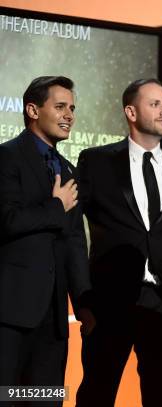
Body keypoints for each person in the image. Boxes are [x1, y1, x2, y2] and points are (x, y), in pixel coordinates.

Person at [75, 78, 162, 407]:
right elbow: (74, 231)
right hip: (110, 300)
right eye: (155, 104)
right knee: (97, 393)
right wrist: (83, 299)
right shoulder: (97, 161)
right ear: (130, 112)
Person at [0, 76, 94, 405]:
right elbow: (7, 220)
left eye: (72, 108)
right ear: (32, 110)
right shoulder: (6, 158)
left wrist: (84, 304)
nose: (69, 114)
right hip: (9, 315)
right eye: (59, 107)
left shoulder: (69, 171)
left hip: (53, 321)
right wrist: (56, 207)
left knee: (45, 400)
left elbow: (74, 245)